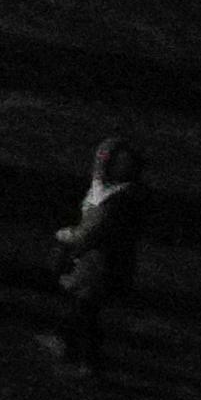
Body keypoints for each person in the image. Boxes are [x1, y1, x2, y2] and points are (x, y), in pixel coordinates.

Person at [51, 137, 145, 373]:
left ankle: (87, 363)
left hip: (98, 266)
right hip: (99, 264)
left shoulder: (115, 200)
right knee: (81, 310)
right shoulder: (115, 193)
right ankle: (69, 349)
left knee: (86, 314)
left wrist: (65, 236)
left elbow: (88, 232)